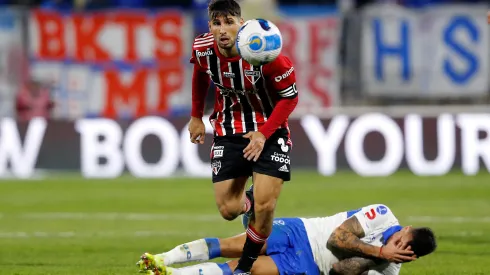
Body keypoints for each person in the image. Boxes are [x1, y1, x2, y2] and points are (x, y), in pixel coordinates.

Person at [186, 0, 299, 274]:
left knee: (266, 206)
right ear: (210, 25)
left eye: (229, 22)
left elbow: (289, 97)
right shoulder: (203, 49)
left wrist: (263, 133)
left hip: (269, 131)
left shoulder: (265, 50)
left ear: (241, 23)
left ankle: (246, 266)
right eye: (216, 23)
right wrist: (196, 116)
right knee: (228, 209)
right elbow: (200, 74)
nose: (223, 29)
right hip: (228, 130)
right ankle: (247, 199)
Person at [137, 203, 437, 275]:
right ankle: (163, 258)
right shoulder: (383, 214)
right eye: (399, 238)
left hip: (309, 265)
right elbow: (337, 238)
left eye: (400, 249)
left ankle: (170, 273)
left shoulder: (389, 269)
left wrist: (378, 257)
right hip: (303, 231)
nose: (394, 243)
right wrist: (379, 249)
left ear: (408, 256)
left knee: (246, 268)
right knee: (239, 244)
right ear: (405, 228)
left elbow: (336, 271)